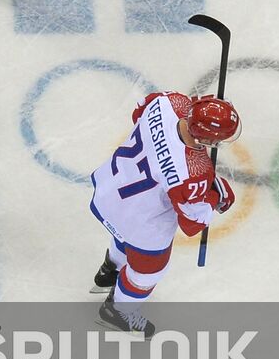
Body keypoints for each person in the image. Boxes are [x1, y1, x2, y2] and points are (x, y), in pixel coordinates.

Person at [87, 93, 241, 336]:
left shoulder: (170, 101)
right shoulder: (195, 170)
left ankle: (110, 271)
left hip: (111, 191)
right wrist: (215, 197)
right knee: (149, 269)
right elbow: (192, 223)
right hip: (142, 222)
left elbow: (138, 112)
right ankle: (117, 312)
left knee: (122, 236)